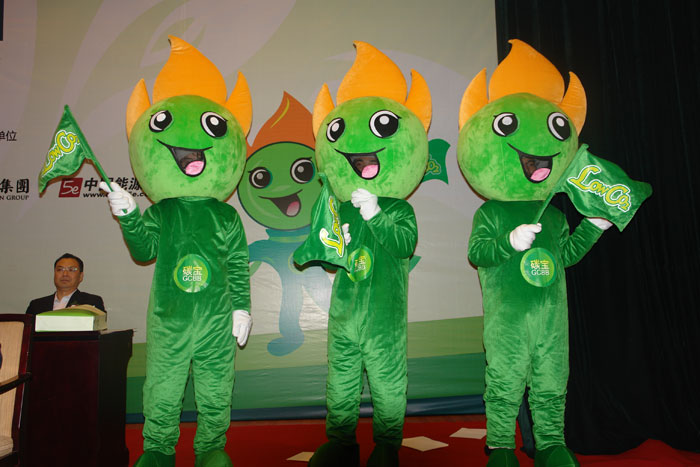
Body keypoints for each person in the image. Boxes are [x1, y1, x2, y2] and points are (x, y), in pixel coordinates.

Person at [26, 253, 105, 315]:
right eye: (60, 269)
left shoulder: (91, 302)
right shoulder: (36, 305)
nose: (65, 274)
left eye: (71, 270)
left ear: (81, 276)